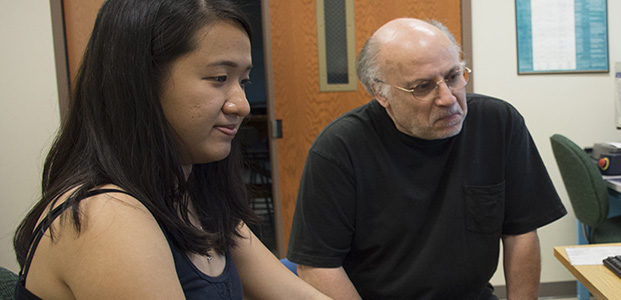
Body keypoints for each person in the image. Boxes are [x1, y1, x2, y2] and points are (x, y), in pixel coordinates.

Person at [11, 0, 330, 299]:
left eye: (243, 81)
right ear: (141, 83)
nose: (241, 105)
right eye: (219, 78)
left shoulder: (196, 195)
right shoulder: (108, 216)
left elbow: (298, 295)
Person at [286, 18, 567, 300]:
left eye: (453, 76)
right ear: (380, 93)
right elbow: (317, 265)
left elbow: (521, 232)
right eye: (423, 87)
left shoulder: (499, 124)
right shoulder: (339, 150)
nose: (448, 98)